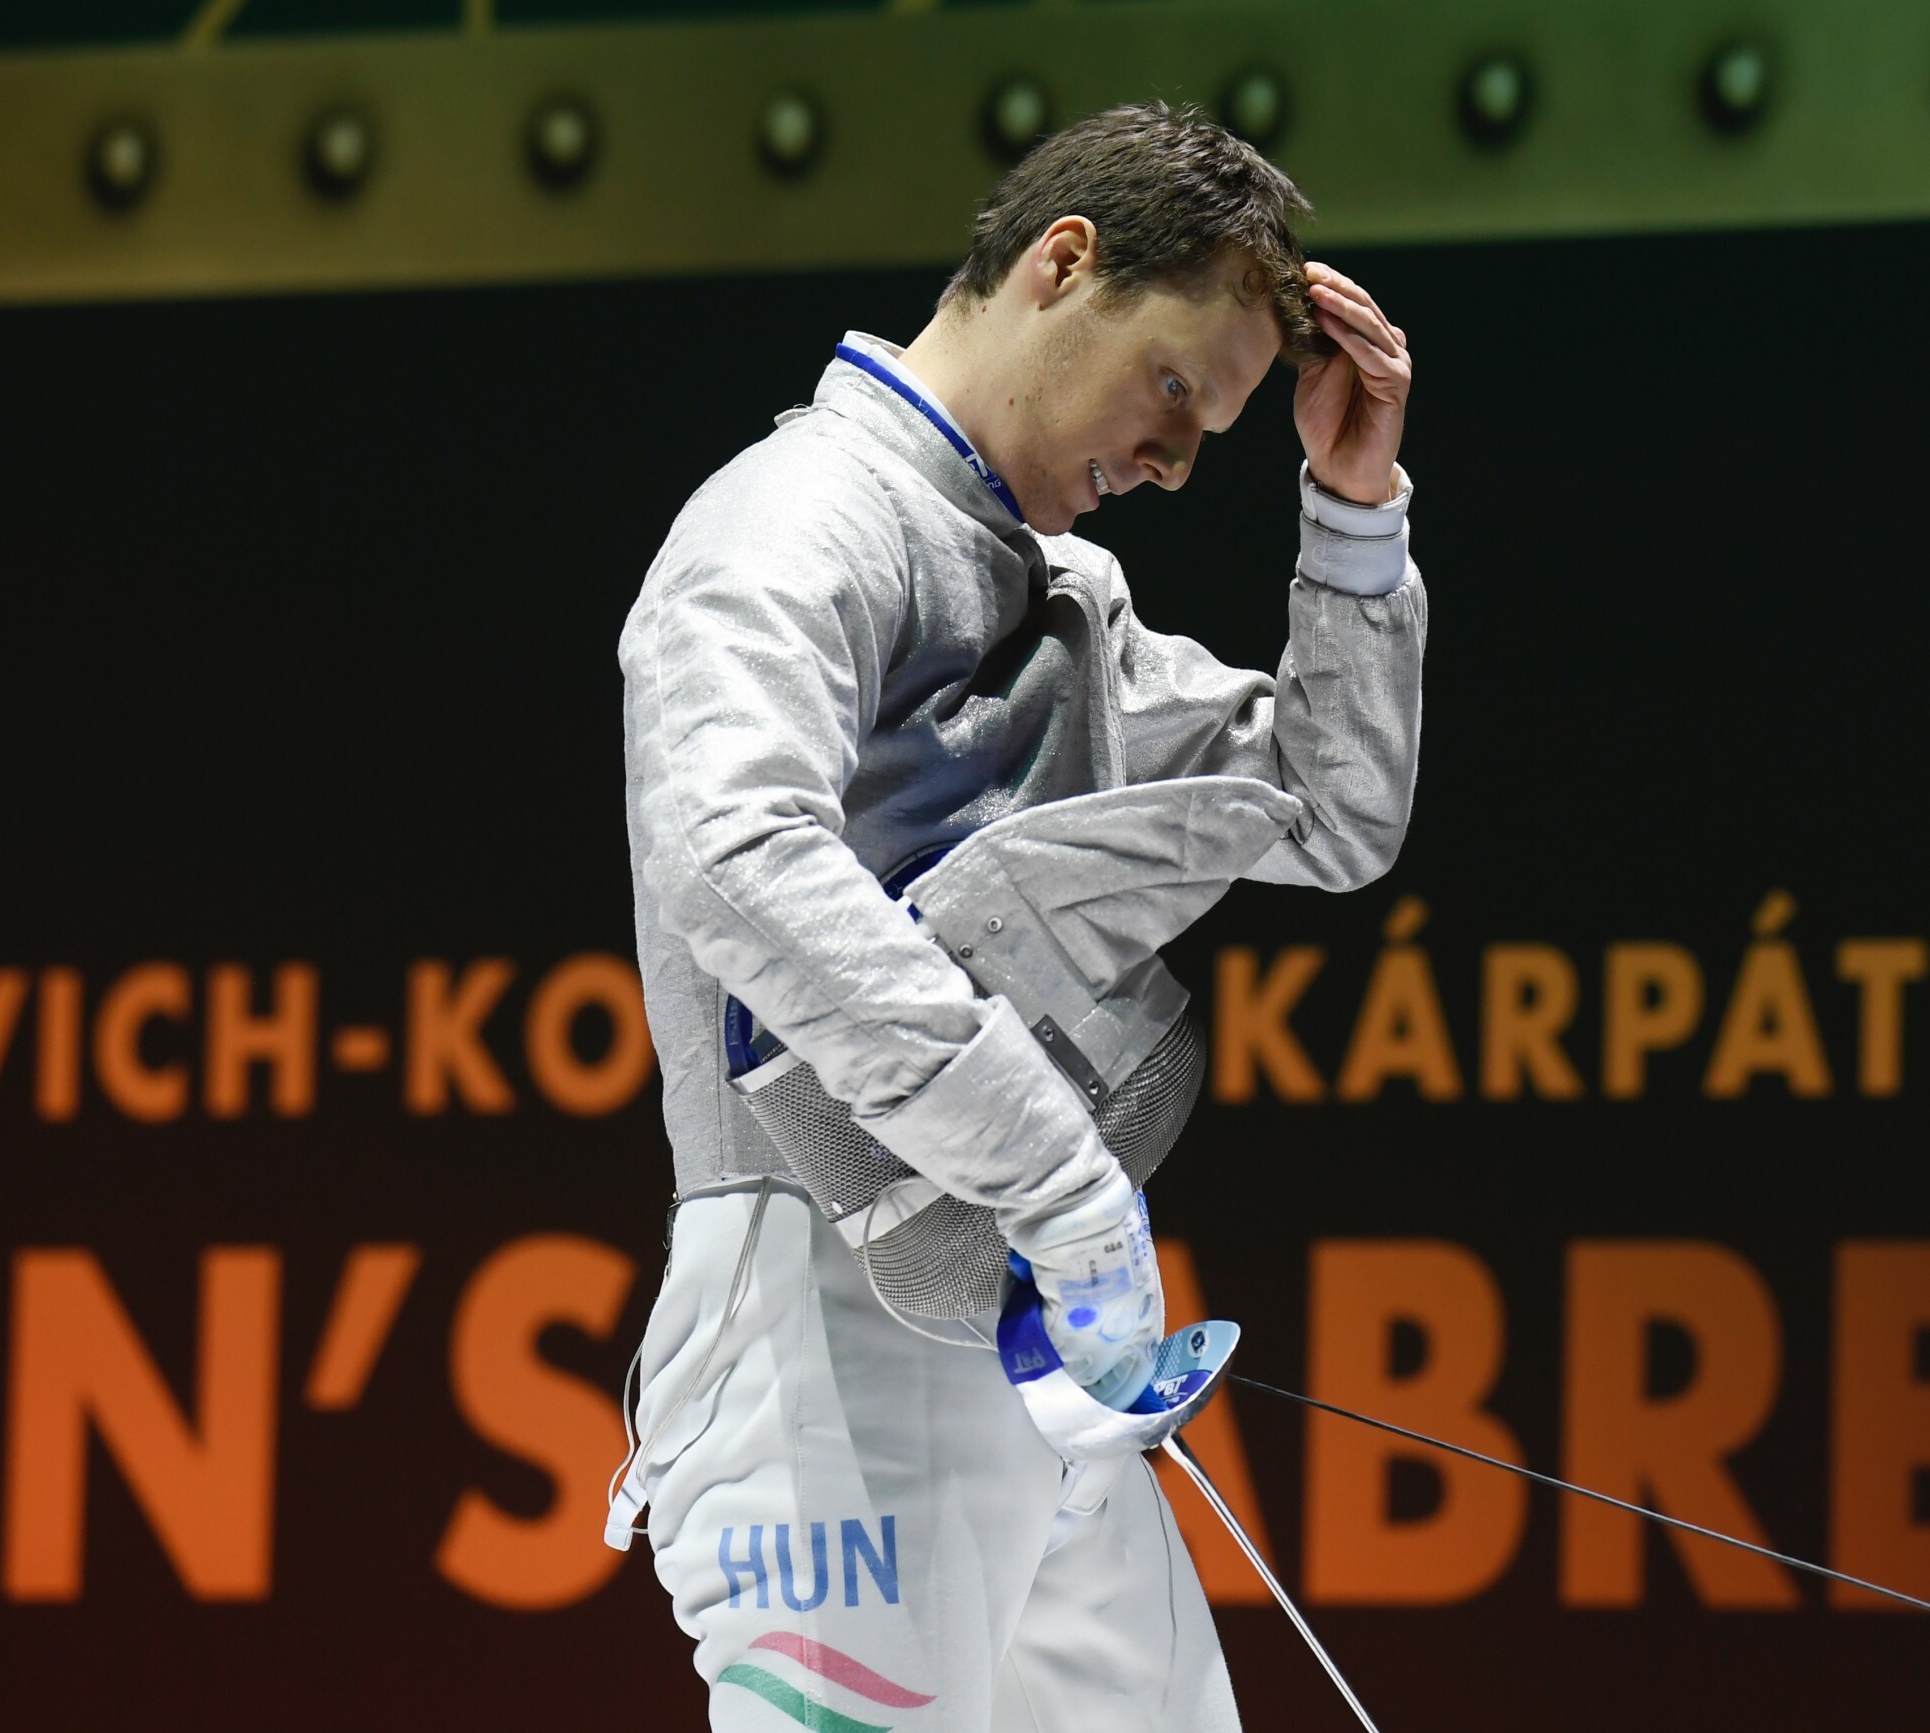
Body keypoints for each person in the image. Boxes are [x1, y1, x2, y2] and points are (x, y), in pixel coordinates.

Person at [610, 101, 1422, 1730]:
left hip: (1022, 1341)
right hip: (821, 1327)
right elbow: (735, 853)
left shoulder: (1064, 596)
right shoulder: (797, 516)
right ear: (1062, 264)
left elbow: (1329, 810)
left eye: (1212, 430)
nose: (1177, 462)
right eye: (1174, 389)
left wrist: (1353, 514)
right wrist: (1058, 1178)